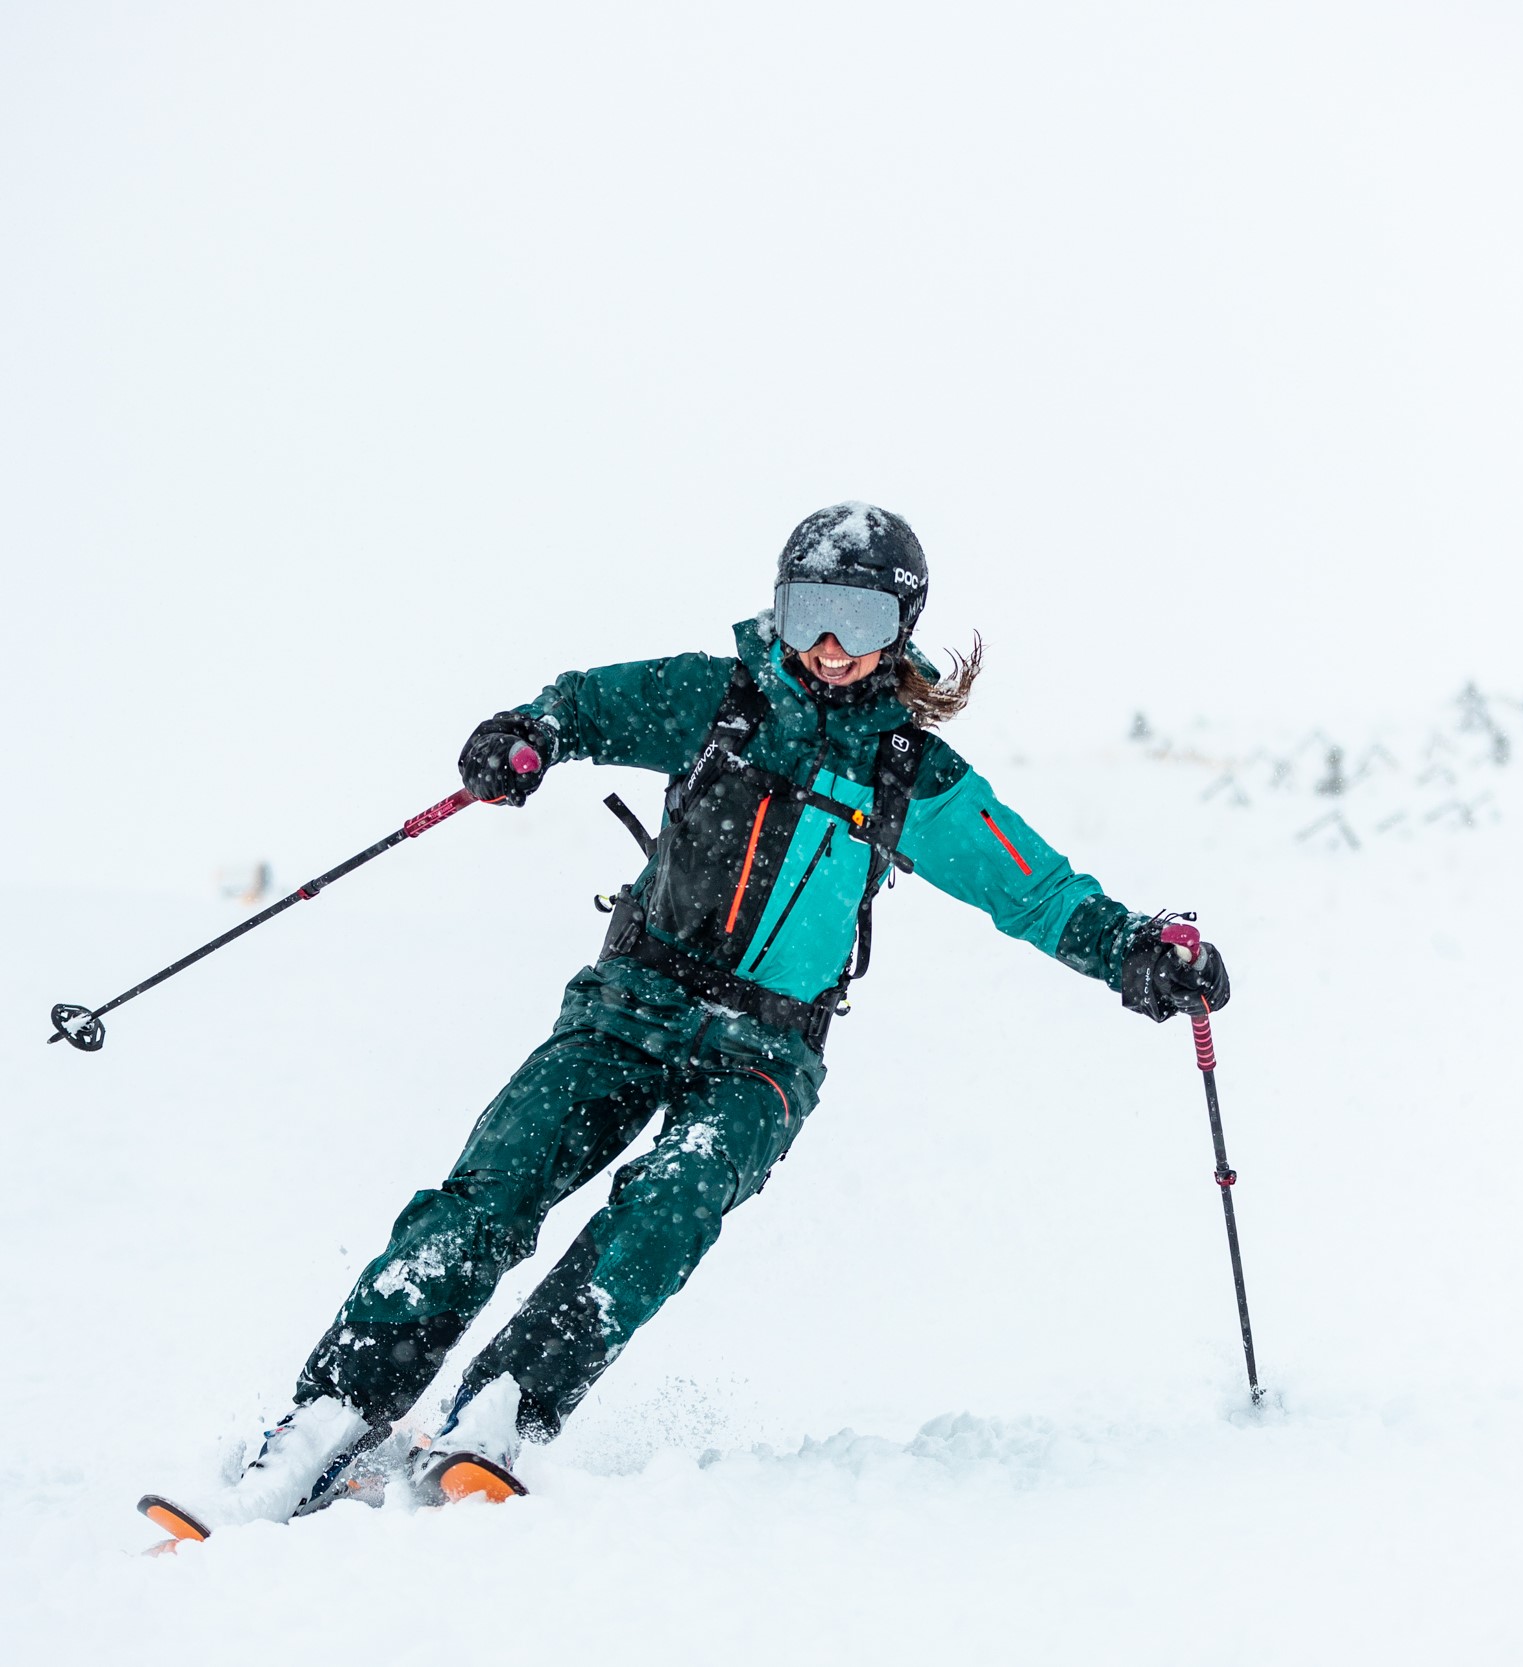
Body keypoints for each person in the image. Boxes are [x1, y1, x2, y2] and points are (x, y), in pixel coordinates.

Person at [150, 502, 1229, 1534]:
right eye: (808, 610)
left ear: (901, 629)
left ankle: (503, 1410)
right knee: (491, 1189)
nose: (828, 645)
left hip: (765, 1055)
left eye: (857, 621)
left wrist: (1133, 948)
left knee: (666, 1207)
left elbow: (1035, 892)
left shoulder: (912, 775)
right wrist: (525, 736)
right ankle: (327, 1417)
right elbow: (580, 706)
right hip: (627, 1007)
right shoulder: (717, 700)